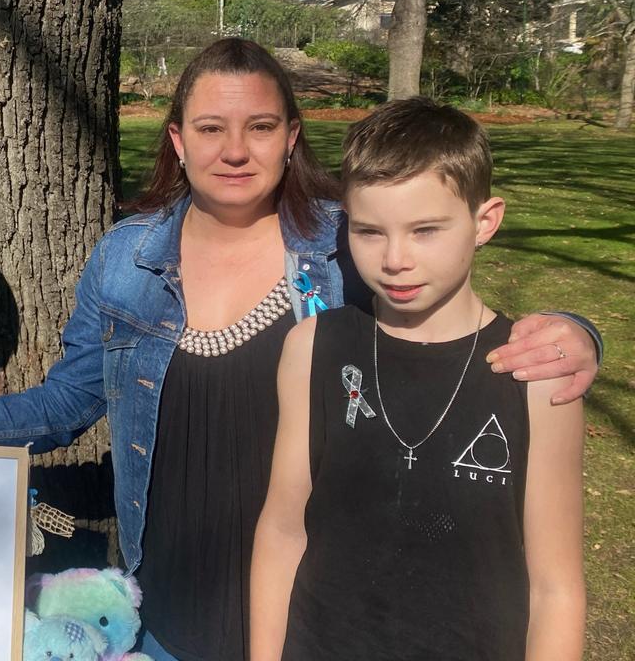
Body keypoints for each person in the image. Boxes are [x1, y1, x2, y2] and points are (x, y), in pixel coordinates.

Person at [0, 39, 601, 660]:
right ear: (178, 140)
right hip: (169, 603)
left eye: (259, 126)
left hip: (314, 609)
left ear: (291, 138)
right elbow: (70, 399)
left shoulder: (343, 246)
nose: (233, 150)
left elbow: (445, 301)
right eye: (210, 127)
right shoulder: (127, 260)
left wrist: (576, 332)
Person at [250, 98, 585, 660]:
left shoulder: (534, 375)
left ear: (485, 221)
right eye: (370, 231)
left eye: (426, 230)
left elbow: (556, 588)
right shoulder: (313, 348)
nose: (395, 258)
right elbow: (284, 530)